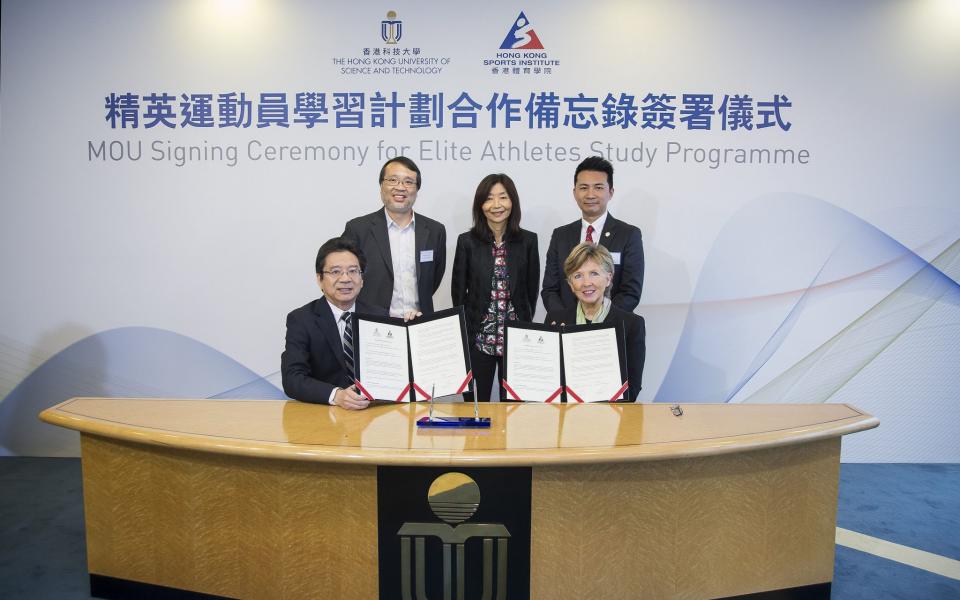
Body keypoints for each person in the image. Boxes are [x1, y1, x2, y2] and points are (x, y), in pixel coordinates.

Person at [452, 174, 540, 401]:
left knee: (513, 410)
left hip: (516, 339)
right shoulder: (467, 241)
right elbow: (458, 293)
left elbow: (531, 291)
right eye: (489, 199)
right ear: (480, 205)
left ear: (513, 202)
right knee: (475, 407)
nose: (497, 205)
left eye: (503, 197)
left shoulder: (529, 241)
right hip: (480, 339)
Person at [281, 237, 386, 409]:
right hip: (325, 418)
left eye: (353, 271)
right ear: (320, 279)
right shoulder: (301, 319)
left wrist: (413, 328)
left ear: (362, 279)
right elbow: (292, 378)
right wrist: (336, 395)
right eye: (335, 272)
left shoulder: (380, 316)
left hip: (375, 417)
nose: (345, 279)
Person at [342, 156, 446, 319]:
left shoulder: (435, 231)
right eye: (393, 180)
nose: (400, 187)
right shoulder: (358, 229)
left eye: (408, 182)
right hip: (374, 325)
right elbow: (347, 276)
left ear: (417, 189)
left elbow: (434, 278)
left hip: (419, 323)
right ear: (381, 186)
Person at [541, 156, 644, 313]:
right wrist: (566, 320)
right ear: (575, 193)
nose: (590, 194)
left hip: (609, 329)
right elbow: (550, 289)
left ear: (610, 192)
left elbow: (630, 292)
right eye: (583, 188)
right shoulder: (560, 235)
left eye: (598, 187)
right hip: (566, 329)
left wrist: (598, 320)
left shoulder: (629, 235)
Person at [544, 243, 645, 402]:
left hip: (611, 417)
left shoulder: (632, 324)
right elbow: (547, 380)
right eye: (578, 276)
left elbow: (632, 387)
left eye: (594, 273)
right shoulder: (555, 320)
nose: (586, 283)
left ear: (608, 278)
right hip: (566, 417)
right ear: (570, 284)